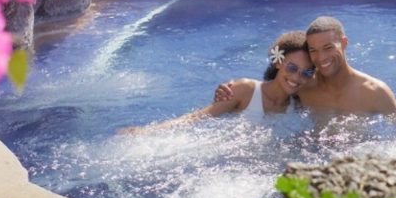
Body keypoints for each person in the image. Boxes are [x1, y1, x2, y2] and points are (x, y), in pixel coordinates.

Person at [217, 16, 396, 129]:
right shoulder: (304, 84)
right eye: (313, 50)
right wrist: (230, 91)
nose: (321, 58)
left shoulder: (375, 92)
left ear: (344, 43)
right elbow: (270, 91)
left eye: (328, 47)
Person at [122, 31, 315, 133]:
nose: (297, 77)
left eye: (306, 72)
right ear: (278, 62)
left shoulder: (299, 104)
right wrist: (147, 132)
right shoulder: (245, 90)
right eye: (292, 68)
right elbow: (197, 118)